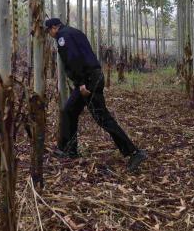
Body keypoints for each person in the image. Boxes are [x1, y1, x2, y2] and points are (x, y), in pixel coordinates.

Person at [45, 18, 147, 172]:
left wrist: (80, 83)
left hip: (87, 81)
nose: (49, 34)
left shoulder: (62, 36)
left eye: (48, 31)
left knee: (102, 118)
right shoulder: (75, 32)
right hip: (93, 77)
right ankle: (69, 150)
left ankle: (134, 152)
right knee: (69, 111)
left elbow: (73, 58)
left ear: (54, 27)